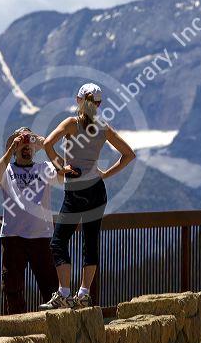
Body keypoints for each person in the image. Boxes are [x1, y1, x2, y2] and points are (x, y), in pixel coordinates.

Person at [39, 83, 136, 310]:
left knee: (59, 242)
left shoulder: (71, 124)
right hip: (97, 190)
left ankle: (64, 293)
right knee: (90, 243)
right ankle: (84, 294)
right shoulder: (104, 127)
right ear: (99, 104)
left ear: (78, 100)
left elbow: (46, 144)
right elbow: (129, 155)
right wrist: (105, 174)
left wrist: (60, 167)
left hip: (76, 189)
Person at [0, 126, 61, 314]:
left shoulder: (44, 168)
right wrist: (9, 151)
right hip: (13, 236)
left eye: (29, 143)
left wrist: (46, 145)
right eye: (21, 143)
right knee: (12, 288)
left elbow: (64, 172)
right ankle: (16, 329)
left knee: (51, 287)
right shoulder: (8, 170)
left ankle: (53, 330)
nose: (26, 146)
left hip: (41, 236)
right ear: (14, 149)